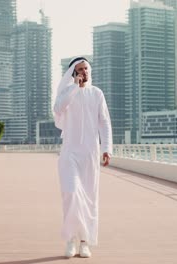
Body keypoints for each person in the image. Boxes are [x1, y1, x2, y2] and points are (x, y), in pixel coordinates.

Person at [53, 57, 113, 258]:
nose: (83, 72)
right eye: (79, 70)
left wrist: (107, 148)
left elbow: (104, 122)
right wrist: (73, 89)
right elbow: (58, 109)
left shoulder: (97, 94)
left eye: (86, 68)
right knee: (71, 193)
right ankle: (70, 239)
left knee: (89, 198)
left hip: (90, 154)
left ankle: (85, 241)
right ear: (73, 73)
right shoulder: (67, 93)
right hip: (69, 153)